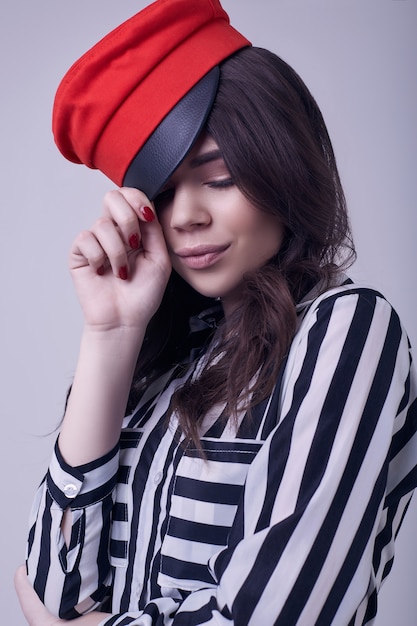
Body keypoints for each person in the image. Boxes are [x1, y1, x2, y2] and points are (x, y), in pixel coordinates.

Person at [14, 0, 417, 624]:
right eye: (162, 192)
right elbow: (50, 590)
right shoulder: (156, 369)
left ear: (282, 165)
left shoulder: (346, 333)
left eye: (220, 177)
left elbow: (281, 615)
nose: (185, 217)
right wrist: (111, 332)